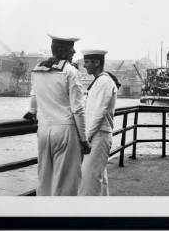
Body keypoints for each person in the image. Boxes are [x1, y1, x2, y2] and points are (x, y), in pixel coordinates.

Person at [23, 34, 91, 196]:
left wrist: (32, 112)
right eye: (71, 48)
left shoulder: (38, 69)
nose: (74, 52)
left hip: (44, 130)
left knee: (45, 180)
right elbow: (78, 109)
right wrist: (84, 139)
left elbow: (34, 94)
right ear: (61, 50)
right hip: (65, 130)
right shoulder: (70, 71)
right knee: (66, 183)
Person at [78, 49, 119, 196]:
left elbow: (98, 112)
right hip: (98, 134)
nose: (84, 65)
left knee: (89, 181)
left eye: (87, 62)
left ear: (97, 62)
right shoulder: (100, 81)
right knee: (98, 178)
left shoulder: (104, 82)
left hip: (98, 135)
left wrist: (86, 138)